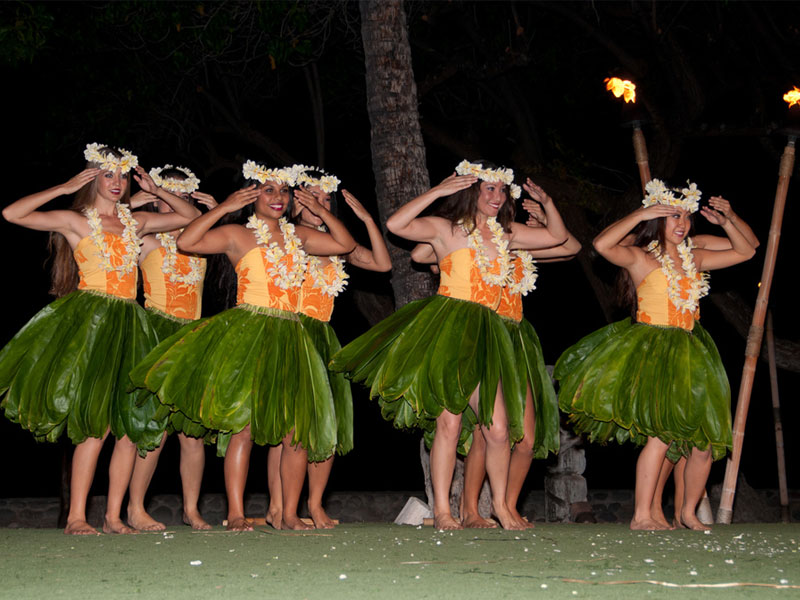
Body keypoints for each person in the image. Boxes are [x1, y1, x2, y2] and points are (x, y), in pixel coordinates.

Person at [330, 160, 570, 530]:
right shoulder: (447, 230)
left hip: (490, 333)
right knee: (450, 422)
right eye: (488, 188)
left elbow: (557, 237)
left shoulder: (506, 234)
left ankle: (502, 508)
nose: (496, 196)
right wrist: (439, 191)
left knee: (499, 428)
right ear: (471, 192)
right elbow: (397, 225)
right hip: (452, 327)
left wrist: (548, 202)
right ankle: (442, 510)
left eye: (501, 189)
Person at [130, 160, 355, 531]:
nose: (277, 197)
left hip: (292, 334)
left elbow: (345, 243)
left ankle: (288, 513)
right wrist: (223, 207)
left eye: (283, 190)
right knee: (244, 427)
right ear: (253, 195)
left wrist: (316, 210)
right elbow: (187, 241)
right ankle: (235, 512)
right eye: (268, 190)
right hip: (249, 331)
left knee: (295, 430)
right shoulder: (236, 233)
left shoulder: (299, 235)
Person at [0, 144, 200, 535]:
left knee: (127, 427)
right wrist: (63, 186)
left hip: (130, 323)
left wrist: (157, 191)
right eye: (108, 174)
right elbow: (12, 214)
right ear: (92, 176)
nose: (117, 182)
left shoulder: (135, 222)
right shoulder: (76, 221)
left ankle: (112, 517)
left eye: (122, 175)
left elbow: (190, 218)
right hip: (92, 322)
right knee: (96, 424)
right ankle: (77, 516)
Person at [555, 179, 756, 531]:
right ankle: (642, 515)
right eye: (672, 215)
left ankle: (688, 513)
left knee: (704, 441)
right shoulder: (641, 257)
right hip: (654, 349)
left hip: (694, 351)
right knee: (661, 435)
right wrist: (641, 213)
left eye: (686, 216)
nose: (682, 223)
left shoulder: (697, 254)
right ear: (657, 218)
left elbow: (748, 250)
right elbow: (602, 244)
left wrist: (728, 218)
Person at [412, 183, 580, 528]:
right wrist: (445, 255)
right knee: (477, 429)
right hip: (476, 331)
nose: (499, 203)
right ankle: (470, 510)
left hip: (514, 339)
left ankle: (504, 504)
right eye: (491, 193)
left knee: (522, 437)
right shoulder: (472, 241)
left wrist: (546, 211)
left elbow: (570, 246)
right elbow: (420, 254)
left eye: (505, 198)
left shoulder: (514, 246)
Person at [266, 167, 392, 529]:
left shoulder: (334, 243)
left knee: (325, 425)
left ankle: (314, 504)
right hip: (292, 332)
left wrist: (367, 218)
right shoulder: (288, 235)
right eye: (311, 196)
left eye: (325, 199)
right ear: (295, 199)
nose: (320, 203)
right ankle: (282, 508)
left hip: (323, 335)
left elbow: (382, 263)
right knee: (291, 427)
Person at [126, 165, 218, 531]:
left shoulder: (198, 238)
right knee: (154, 429)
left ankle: (191, 510)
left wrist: (217, 210)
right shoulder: (145, 236)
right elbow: (111, 224)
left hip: (192, 338)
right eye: (167, 194)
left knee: (193, 434)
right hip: (156, 335)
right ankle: (135, 507)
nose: (175, 202)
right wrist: (138, 199)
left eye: (182, 195)